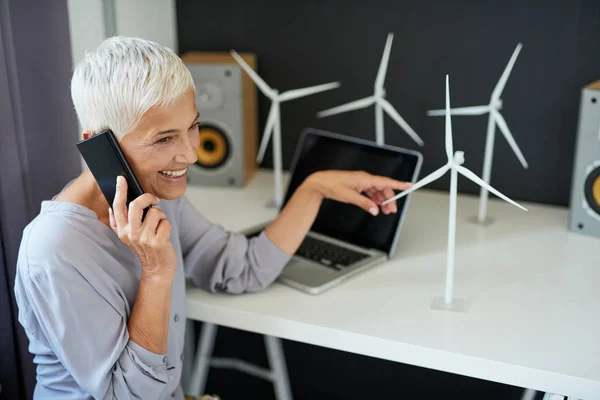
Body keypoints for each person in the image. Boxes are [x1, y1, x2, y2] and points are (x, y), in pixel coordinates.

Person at [13, 36, 411, 400]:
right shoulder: (54, 251)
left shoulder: (156, 197)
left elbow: (242, 269)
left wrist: (314, 188)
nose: (191, 154)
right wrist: (156, 274)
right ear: (97, 145)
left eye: (193, 126)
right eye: (165, 139)